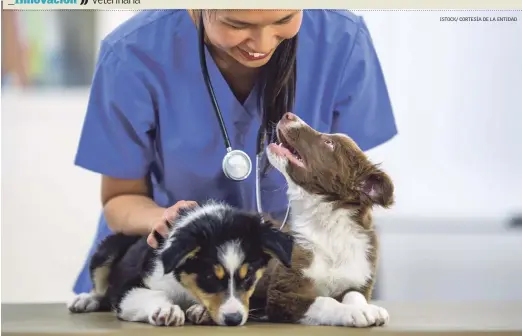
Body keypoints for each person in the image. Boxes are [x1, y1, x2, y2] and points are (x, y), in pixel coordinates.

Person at [72, 9, 398, 294]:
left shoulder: (342, 39)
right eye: (237, 23)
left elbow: (349, 188)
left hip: (297, 279)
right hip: (172, 279)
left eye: (284, 19)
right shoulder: (132, 53)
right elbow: (119, 200)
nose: (263, 43)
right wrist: (164, 219)